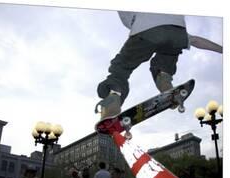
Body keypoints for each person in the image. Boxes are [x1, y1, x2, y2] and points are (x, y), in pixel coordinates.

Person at [95, 11, 223, 119]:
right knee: (165, 61)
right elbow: (196, 40)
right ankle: (165, 81)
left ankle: (114, 98)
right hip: (177, 30)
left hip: (145, 29)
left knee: (121, 69)